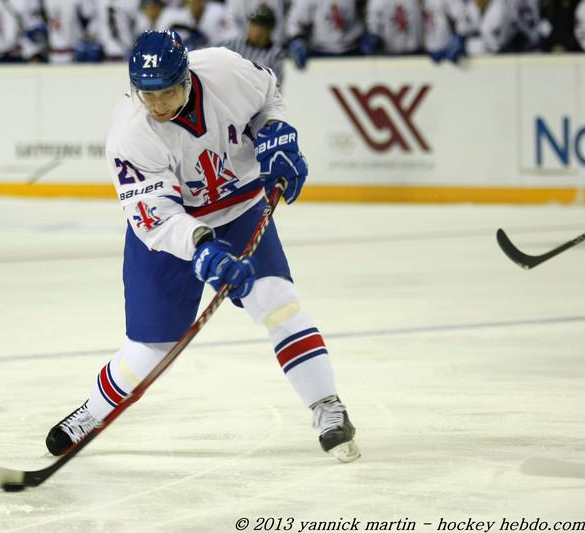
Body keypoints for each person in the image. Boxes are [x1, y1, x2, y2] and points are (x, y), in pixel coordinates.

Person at [45, 30, 361, 464]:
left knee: (279, 303)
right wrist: (202, 249)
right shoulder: (129, 133)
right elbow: (155, 216)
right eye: (147, 94)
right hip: (172, 232)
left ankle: (326, 405)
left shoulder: (225, 69)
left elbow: (269, 95)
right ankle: (92, 413)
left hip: (240, 207)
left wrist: (276, 131)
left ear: (187, 76)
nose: (156, 104)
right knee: (151, 349)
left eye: (167, 92)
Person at [218, 6, 289, 84]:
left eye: (264, 27)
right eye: (255, 25)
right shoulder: (233, 45)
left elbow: (276, 84)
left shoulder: (277, 53)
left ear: (270, 30)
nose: (258, 31)